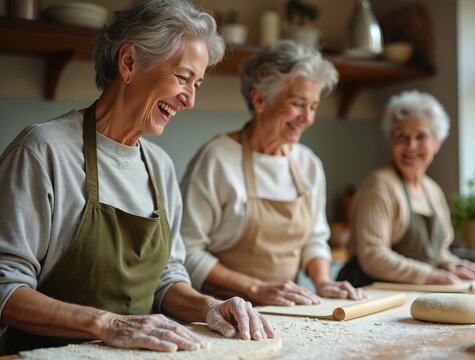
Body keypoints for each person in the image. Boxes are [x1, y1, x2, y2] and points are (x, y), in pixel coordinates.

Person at [0, 0, 273, 355]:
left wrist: (207, 306)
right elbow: (5, 287)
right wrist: (108, 324)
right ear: (129, 63)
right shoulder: (43, 151)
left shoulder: (159, 166)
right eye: (183, 77)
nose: (190, 100)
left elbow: (167, 278)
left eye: (198, 84)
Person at [180, 40, 366, 307]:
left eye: (313, 106)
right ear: (259, 99)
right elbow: (186, 251)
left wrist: (323, 282)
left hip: (287, 310)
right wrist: (256, 288)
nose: (308, 118)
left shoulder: (307, 164)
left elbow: (315, 239)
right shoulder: (217, 159)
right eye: (298, 103)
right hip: (223, 313)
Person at [337, 90, 475, 287]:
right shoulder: (379, 185)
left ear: (436, 143)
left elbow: (436, 252)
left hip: (413, 291)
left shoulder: (432, 190)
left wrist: (453, 265)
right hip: (369, 292)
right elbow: (373, 256)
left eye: (421, 136)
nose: (411, 146)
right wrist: (429, 275)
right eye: (402, 136)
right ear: (391, 140)